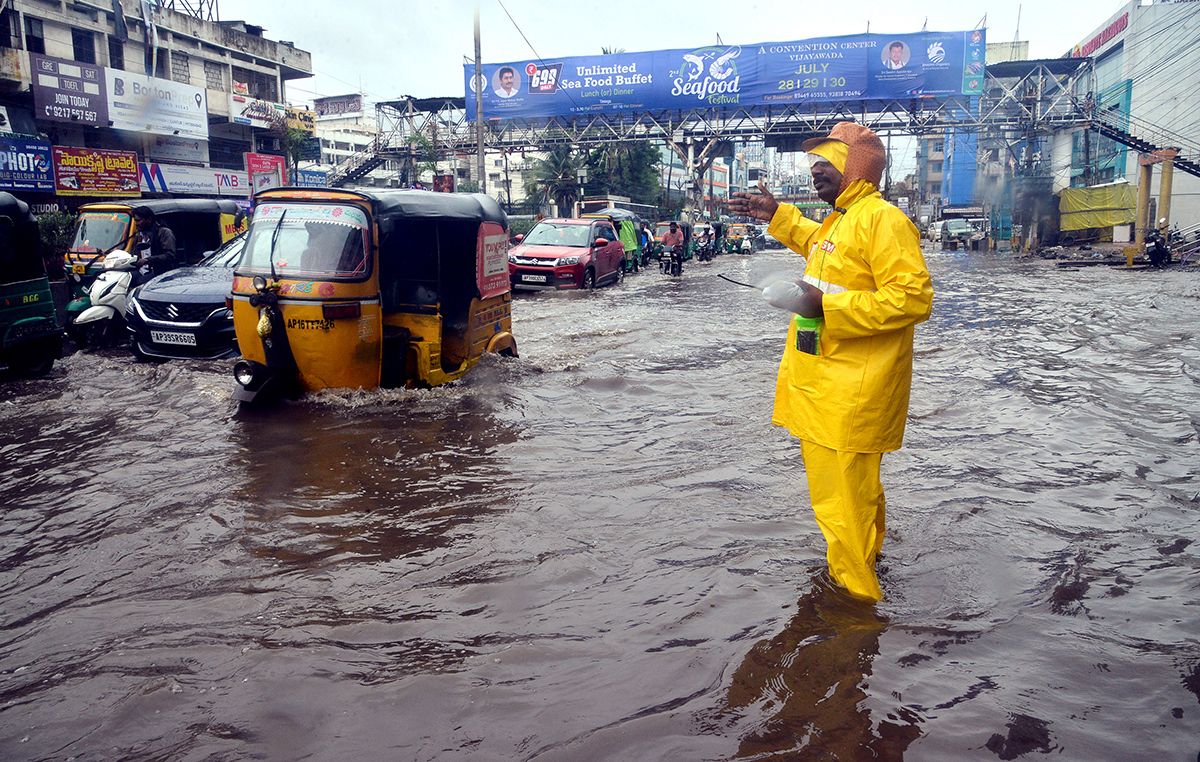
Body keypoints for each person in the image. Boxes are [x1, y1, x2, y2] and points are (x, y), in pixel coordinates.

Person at [729, 122, 933, 602]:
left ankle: (856, 612)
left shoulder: (882, 220)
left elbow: (913, 299)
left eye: (827, 161)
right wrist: (776, 214)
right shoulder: (841, 219)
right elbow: (822, 249)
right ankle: (870, 565)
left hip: (850, 394)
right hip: (828, 388)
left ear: (856, 167)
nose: (816, 170)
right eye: (815, 162)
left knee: (841, 506)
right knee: (857, 499)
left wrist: (827, 308)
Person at [131, 206, 177, 277]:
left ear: (149, 220)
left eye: (139, 220)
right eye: (135, 221)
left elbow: (170, 255)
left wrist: (148, 260)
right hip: (141, 272)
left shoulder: (164, 233)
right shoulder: (138, 235)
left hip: (160, 274)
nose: (136, 224)